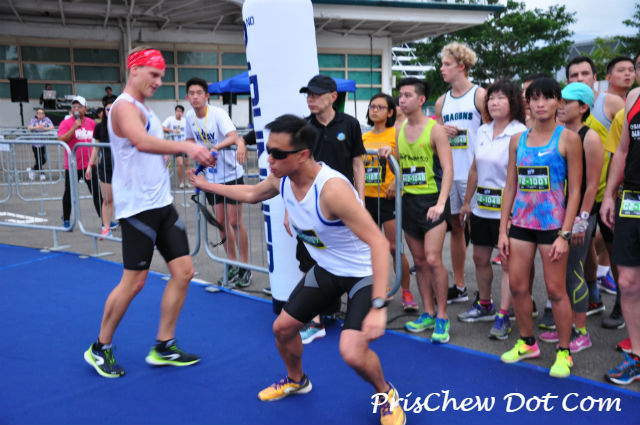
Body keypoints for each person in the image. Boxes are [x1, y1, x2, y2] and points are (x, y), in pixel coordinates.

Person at [189, 114, 405, 425]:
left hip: (362, 273)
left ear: (303, 155)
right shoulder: (283, 179)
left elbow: (379, 244)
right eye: (268, 151)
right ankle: (297, 380)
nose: (269, 159)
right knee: (282, 328)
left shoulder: (332, 190)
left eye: (278, 153)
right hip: (328, 268)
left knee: (352, 351)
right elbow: (251, 194)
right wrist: (205, 185)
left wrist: (379, 306)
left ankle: (386, 393)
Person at [83, 46, 215, 378]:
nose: (158, 81)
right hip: (138, 209)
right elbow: (140, 142)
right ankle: (99, 347)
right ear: (134, 70)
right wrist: (186, 146)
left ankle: (164, 345)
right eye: (153, 74)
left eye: (161, 76)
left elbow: (147, 149)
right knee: (134, 282)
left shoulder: (145, 107)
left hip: (162, 204)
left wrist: (170, 156)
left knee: (184, 272)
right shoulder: (123, 106)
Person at [498, 77, 583, 378]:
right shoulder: (517, 140)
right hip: (521, 224)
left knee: (556, 291)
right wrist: (502, 230)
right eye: (534, 98)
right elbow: (510, 186)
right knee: (518, 287)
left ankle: (564, 352)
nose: (540, 104)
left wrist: (565, 234)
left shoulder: (568, 139)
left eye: (547, 98)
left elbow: (575, 190)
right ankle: (527, 341)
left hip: (552, 227)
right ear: (528, 103)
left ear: (558, 101)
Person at [293, 74, 366, 344]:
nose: (310, 99)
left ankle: (355, 319)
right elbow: (295, 171)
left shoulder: (350, 124)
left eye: (315, 94)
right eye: (308, 94)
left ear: (333, 97)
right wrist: (290, 209)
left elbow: (358, 164)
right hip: (310, 208)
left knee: (351, 260)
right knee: (308, 260)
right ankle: (314, 322)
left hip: (344, 207)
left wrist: (360, 202)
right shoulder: (303, 128)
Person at [380, 77, 453, 343]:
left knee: (433, 259)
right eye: (400, 95)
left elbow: (448, 169)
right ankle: (428, 313)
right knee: (420, 262)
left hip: (433, 202)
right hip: (409, 202)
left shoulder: (435, 130)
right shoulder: (399, 129)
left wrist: (441, 203)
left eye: (408, 95)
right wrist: (388, 154)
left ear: (421, 100)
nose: (402, 100)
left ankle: (443, 316)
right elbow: (399, 166)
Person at [458, 79, 527, 340]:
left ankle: (504, 314)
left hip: (508, 211)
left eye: (501, 98)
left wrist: (513, 213)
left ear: (513, 102)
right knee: (479, 258)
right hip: (482, 208)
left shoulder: (521, 132)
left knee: (508, 263)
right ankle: (485, 304)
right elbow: (475, 169)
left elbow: (520, 177)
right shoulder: (483, 130)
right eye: (491, 98)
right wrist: (467, 201)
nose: (494, 103)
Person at [538, 82, 603, 354]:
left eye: (567, 102)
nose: (560, 106)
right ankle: (565, 323)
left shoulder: (590, 137)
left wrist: (581, 220)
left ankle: (581, 330)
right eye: (559, 101)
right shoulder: (560, 134)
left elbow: (591, 186)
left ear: (584, 107)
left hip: (579, 215)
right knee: (560, 273)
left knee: (573, 271)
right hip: (558, 213)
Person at [565, 55, 625, 323]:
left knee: (615, 249)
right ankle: (592, 295)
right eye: (574, 75)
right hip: (582, 194)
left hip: (610, 191)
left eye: (585, 74)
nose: (580, 78)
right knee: (583, 246)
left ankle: (623, 301)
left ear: (595, 76)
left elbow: (624, 146)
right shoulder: (567, 108)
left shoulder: (610, 103)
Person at [183, 77, 251, 288]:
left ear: (206, 96)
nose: (195, 97)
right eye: (191, 93)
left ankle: (245, 265)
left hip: (231, 175)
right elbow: (189, 140)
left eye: (199, 93)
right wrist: (196, 156)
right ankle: (231, 263)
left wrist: (215, 149)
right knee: (220, 222)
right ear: (187, 97)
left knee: (234, 221)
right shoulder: (189, 117)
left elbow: (233, 136)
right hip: (211, 177)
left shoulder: (218, 114)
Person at [435, 42, 487, 305]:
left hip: (476, 173)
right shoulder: (441, 102)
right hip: (451, 174)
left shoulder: (480, 95)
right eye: (442, 64)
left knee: (480, 231)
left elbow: (491, 132)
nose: (442, 69)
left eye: (447, 64)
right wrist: (440, 132)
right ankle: (459, 285)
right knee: (456, 227)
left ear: (462, 66)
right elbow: (435, 139)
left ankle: (485, 294)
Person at [600, 75, 640, 385]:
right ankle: (637, 355)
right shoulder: (634, 97)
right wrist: (609, 195)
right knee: (627, 281)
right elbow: (623, 151)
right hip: (633, 200)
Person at [363, 92, 416, 312]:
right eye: (372, 107)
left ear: (390, 112)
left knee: (395, 247)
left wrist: (397, 181)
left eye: (380, 107)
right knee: (372, 248)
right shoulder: (364, 137)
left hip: (389, 199)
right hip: (367, 198)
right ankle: (380, 288)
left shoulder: (396, 133)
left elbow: (406, 162)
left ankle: (406, 292)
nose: (375, 110)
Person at [57, 95, 101, 228]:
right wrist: (74, 128)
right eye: (74, 106)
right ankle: (66, 219)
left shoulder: (91, 123)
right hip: (72, 165)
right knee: (69, 193)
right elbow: (61, 140)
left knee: (96, 192)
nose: (76, 108)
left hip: (89, 165)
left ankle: (105, 220)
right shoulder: (66, 123)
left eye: (79, 106)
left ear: (85, 109)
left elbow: (97, 140)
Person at [86, 101, 116, 238]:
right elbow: (96, 148)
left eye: (113, 108)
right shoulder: (99, 127)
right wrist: (90, 165)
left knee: (126, 199)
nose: (110, 111)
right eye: (107, 109)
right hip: (106, 167)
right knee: (107, 199)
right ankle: (106, 228)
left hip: (123, 168)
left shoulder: (124, 125)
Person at [163, 105, 188, 188]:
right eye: (177, 111)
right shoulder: (170, 119)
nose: (179, 113)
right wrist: (172, 130)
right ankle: (181, 182)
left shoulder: (185, 121)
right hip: (176, 145)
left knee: (186, 164)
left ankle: (187, 182)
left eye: (180, 111)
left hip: (184, 144)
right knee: (180, 164)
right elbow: (162, 127)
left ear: (183, 113)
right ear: (175, 111)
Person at [27, 108, 54, 181]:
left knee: (43, 160)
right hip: (35, 144)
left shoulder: (47, 120)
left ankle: (32, 169)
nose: (40, 115)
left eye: (42, 113)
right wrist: (37, 127)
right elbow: (29, 127)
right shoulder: (33, 120)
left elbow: (52, 127)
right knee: (38, 159)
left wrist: (44, 128)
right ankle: (42, 173)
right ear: (36, 114)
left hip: (43, 143)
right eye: (39, 113)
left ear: (44, 114)